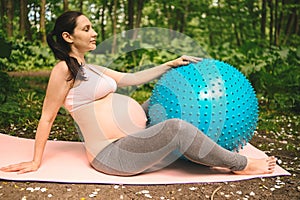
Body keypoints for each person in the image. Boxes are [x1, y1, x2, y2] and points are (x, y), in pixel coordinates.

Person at [0, 11, 276, 176]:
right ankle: (240, 164)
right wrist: (36, 161)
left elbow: (131, 78)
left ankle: (204, 152)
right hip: (111, 154)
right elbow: (46, 118)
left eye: (93, 28)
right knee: (175, 127)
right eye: (86, 29)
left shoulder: (93, 68)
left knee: (163, 106)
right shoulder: (63, 70)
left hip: (130, 137)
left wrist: (170, 63)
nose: (94, 33)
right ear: (68, 37)